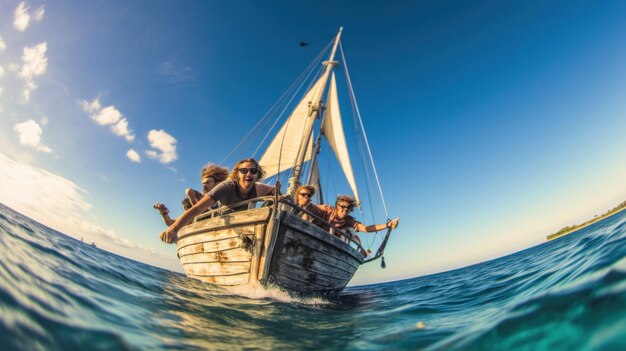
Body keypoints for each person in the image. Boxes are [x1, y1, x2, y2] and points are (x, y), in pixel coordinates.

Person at [159, 158, 277, 244]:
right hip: (222, 225)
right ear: (237, 174)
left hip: (247, 229)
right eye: (244, 170)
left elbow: (276, 192)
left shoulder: (259, 188)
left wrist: (282, 195)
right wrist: (173, 228)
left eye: (253, 171)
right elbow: (198, 208)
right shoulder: (227, 186)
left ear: (257, 175)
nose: (249, 173)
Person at [315, 195, 400, 242]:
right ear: (337, 206)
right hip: (315, 234)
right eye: (343, 206)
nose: (345, 209)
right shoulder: (326, 209)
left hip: (331, 242)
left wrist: (387, 225)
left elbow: (366, 228)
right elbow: (311, 207)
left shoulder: (349, 220)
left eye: (348, 208)